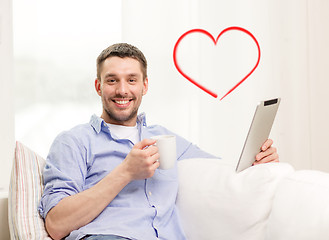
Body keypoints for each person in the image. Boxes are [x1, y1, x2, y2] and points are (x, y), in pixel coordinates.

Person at [39, 43, 279, 240]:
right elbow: (57, 224)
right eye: (112, 80)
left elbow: (224, 172)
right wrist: (125, 172)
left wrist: (258, 162)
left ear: (144, 86)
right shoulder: (74, 141)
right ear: (98, 86)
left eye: (131, 80)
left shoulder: (164, 139)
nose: (122, 90)